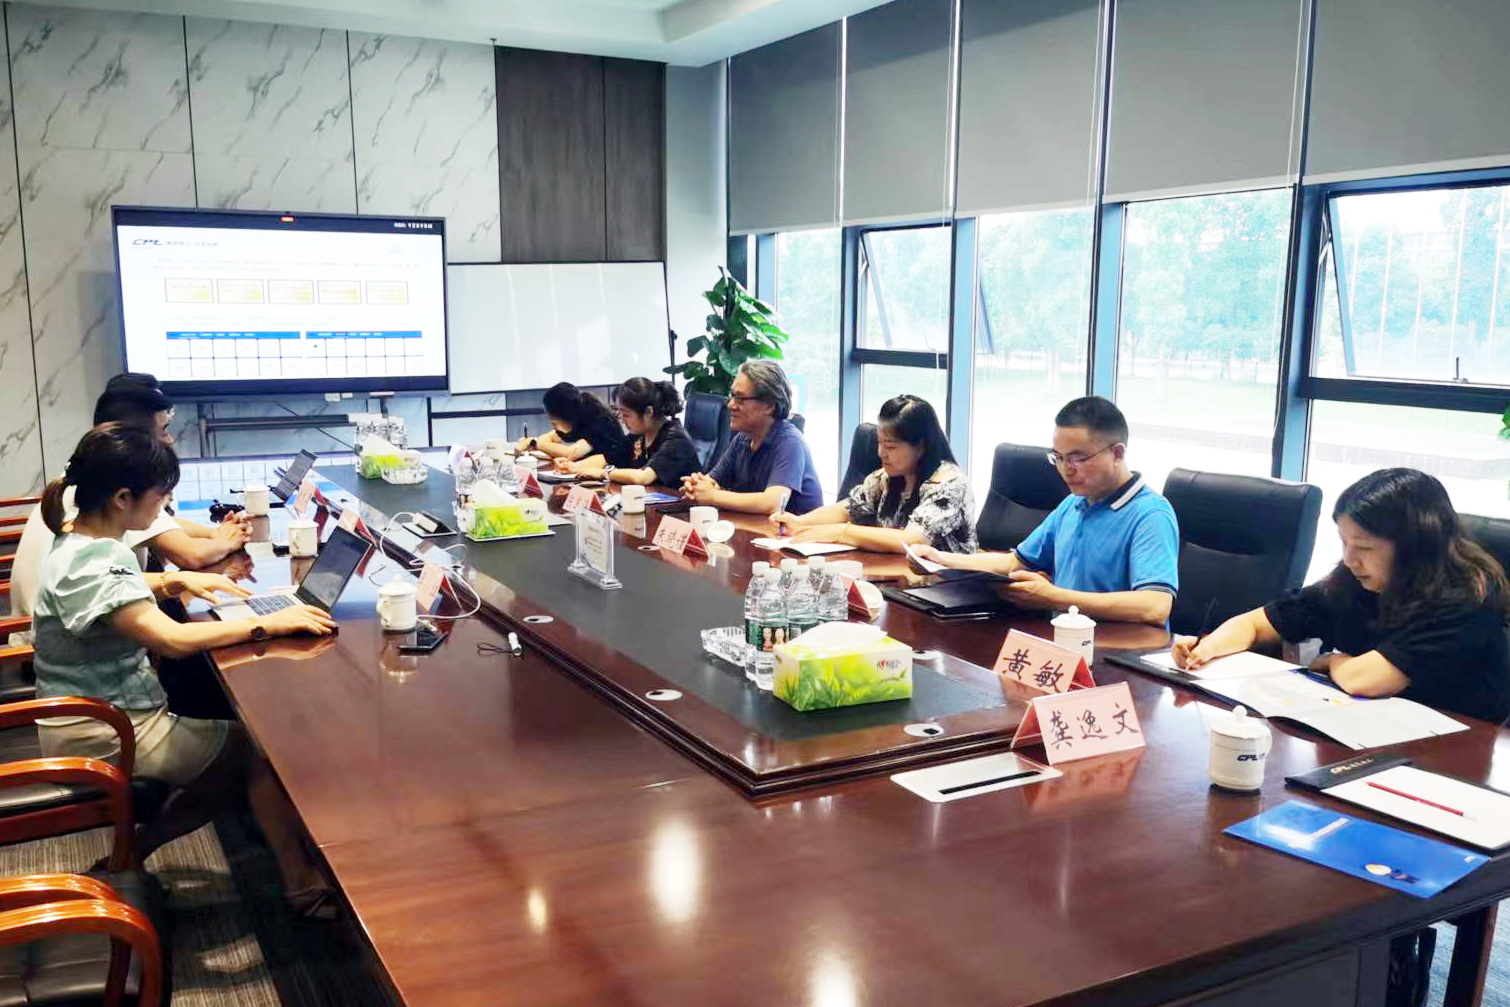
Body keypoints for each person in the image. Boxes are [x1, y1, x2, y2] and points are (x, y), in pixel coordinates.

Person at [31, 424, 336, 911]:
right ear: (123, 498)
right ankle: (301, 884)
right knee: (260, 751)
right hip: (104, 731)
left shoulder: (80, 540)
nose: (165, 504)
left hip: (96, 714)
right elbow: (171, 641)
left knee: (236, 753)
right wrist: (265, 624)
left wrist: (175, 583)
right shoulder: (96, 559)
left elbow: (116, 592)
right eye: (160, 495)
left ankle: (129, 856)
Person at [1173, 468, 1510, 724]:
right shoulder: (1351, 582)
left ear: (1414, 548)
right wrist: (1208, 648)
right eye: (1344, 542)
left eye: (1364, 547)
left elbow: (1366, 680)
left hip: (1451, 749)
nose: (1349, 559)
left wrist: (1332, 661)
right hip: (1365, 729)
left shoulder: (1467, 596)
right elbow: (1255, 623)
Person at [10, 375, 251, 635]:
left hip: (62, 627)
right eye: (163, 429)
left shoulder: (92, 477)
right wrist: (226, 542)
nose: (170, 440)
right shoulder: (117, 489)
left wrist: (213, 535)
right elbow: (191, 556)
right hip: (55, 641)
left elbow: (161, 524)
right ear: (130, 440)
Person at [914, 396, 1178, 627]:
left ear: (1117, 454)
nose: (1066, 469)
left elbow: (1155, 606)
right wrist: (941, 559)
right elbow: (1014, 563)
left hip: (1119, 646)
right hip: (1064, 637)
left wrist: (1053, 597)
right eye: (1059, 458)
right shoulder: (1073, 504)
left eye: (1077, 458)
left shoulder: (1150, 514)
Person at [770, 395, 975, 554]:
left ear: (921, 446)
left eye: (890, 446)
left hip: (947, 586)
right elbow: (848, 508)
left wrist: (843, 532)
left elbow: (914, 539)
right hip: (896, 576)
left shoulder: (949, 485)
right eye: (880, 443)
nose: (881, 453)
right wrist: (800, 522)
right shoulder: (887, 477)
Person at [681, 360, 824, 515]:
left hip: (795, 529)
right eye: (732, 396)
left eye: (740, 399)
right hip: (754, 526)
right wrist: (697, 486)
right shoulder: (742, 439)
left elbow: (773, 503)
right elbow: (711, 482)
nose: (730, 405)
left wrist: (714, 496)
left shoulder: (790, 442)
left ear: (769, 405)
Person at [555, 377, 702, 486]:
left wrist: (603, 473)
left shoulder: (675, 439)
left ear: (648, 412)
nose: (621, 420)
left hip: (679, 512)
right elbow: (608, 458)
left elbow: (643, 477)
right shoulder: (639, 435)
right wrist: (574, 467)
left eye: (626, 414)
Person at [517, 382, 630, 466]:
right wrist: (536, 443)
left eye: (555, 423)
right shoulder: (576, 419)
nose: (554, 427)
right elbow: (549, 437)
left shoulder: (596, 421)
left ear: (566, 414)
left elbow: (570, 453)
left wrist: (533, 443)